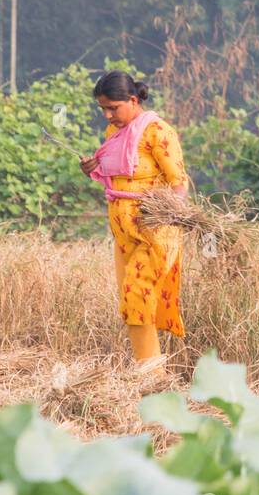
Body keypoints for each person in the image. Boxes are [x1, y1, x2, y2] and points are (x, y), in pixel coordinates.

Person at [79, 71, 189, 365]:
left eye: (113, 107)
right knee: (131, 302)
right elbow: (118, 179)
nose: (107, 115)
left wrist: (172, 217)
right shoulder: (113, 134)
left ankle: (151, 374)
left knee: (136, 294)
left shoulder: (158, 132)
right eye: (103, 108)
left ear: (132, 99)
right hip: (123, 233)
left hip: (153, 230)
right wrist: (92, 168)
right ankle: (148, 370)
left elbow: (178, 182)